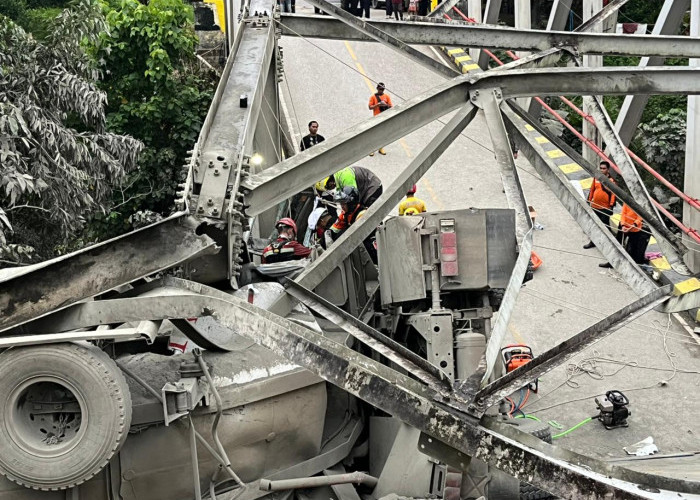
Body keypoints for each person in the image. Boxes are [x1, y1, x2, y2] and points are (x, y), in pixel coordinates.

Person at [599, 203, 650, 268]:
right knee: (617, 244)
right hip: (624, 226)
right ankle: (611, 262)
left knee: (632, 248)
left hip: (634, 229)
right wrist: (623, 225)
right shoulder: (627, 202)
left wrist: (631, 227)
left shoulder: (641, 204)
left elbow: (639, 218)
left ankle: (627, 266)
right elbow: (623, 214)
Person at [583, 160, 617, 249]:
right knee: (594, 226)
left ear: (608, 170)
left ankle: (610, 244)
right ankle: (593, 242)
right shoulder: (596, 178)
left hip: (605, 208)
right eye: (601, 168)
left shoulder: (611, 181)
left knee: (605, 227)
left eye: (604, 168)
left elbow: (613, 194)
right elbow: (592, 190)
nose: (602, 170)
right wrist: (589, 201)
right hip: (595, 206)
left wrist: (611, 205)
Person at [316, 166, 383, 208]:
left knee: (368, 214)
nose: (330, 189)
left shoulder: (345, 178)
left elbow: (353, 198)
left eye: (328, 188)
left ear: (329, 182)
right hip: (365, 189)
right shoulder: (338, 178)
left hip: (373, 188)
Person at [368, 83, 392, 156]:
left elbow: (391, 106)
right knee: (374, 134)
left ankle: (380, 148)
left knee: (382, 134)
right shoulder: (373, 97)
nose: (381, 91)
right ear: (377, 89)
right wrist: (378, 104)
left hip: (384, 117)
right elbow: (370, 107)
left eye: (383, 89)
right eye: (380, 89)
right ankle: (371, 149)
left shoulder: (387, 97)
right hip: (376, 117)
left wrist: (385, 105)